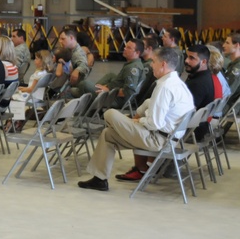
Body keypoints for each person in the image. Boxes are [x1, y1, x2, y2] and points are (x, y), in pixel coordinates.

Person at [78, 47, 194, 191]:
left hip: (158, 140)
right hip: (169, 138)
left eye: (153, 61)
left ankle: (101, 175)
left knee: (110, 114)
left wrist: (138, 121)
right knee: (108, 134)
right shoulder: (178, 84)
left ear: (163, 64)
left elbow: (154, 123)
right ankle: (99, 179)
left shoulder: (165, 87)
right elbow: (151, 105)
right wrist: (137, 119)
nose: (151, 65)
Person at [89, 38, 145, 110]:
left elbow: (129, 91)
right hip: (117, 96)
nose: (124, 48)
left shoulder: (132, 68)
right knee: (109, 76)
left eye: (129, 48)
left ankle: (90, 108)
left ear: (137, 53)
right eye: (125, 46)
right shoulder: (135, 64)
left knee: (84, 85)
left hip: (118, 100)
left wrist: (108, 91)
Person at [8, 49, 55, 130]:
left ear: (42, 61)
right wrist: (23, 88)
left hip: (31, 96)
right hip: (38, 96)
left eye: (36, 59)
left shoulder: (38, 74)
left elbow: (31, 89)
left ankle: (14, 122)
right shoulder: (45, 73)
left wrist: (21, 89)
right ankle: (14, 122)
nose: (34, 60)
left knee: (13, 98)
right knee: (16, 94)